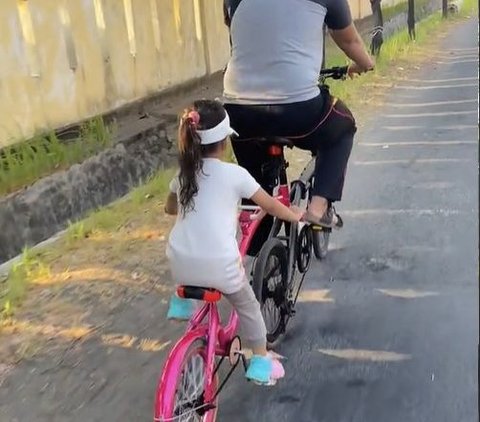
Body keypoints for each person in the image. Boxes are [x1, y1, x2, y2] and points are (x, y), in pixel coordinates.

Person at [164, 99, 303, 385]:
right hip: (220, 266)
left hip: (178, 263)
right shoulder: (236, 175)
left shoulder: (182, 176)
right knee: (248, 305)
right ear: (225, 142)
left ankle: (181, 305)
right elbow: (272, 205)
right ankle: (261, 363)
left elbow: (170, 209)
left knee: (191, 265)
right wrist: (294, 217)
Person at [223, 0, 375, 242]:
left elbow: (245, 33)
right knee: (342, 127)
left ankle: (255, 238)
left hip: (238, 111)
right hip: (298, 109)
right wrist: (365, 64)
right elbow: (349, 41)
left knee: (253, 181)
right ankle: (318, 209)